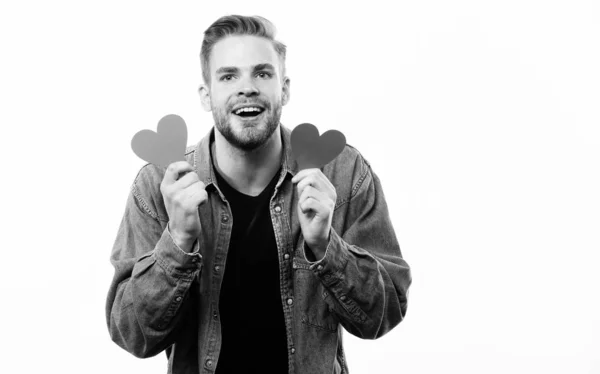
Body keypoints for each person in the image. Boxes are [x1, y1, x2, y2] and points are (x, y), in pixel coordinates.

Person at [106, 14, 412, 374]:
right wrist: (178, 241)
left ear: (284, 89)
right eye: (228, 75)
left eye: (262, 73)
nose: (246, 87)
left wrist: (326, 247)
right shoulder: (158, 185)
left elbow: (383, 314)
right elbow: (132, 336)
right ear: (207, 95)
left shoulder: (343, 172)